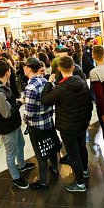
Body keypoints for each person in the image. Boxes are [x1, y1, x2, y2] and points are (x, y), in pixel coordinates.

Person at [41, 56, 93, 192]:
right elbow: (89, 104)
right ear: (73, 68)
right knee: (82, 147)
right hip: (82, 123)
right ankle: (85, 170)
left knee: (73, 153)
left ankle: (80, 183)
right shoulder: (82, 83)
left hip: (67, 127)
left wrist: (48, 83)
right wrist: (87, 119)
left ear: (59, 69)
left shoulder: (60, 88)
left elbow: (45, 100)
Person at [0, 59, 35, 189]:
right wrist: (20, 102)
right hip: (6, 127)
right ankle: (16, 177)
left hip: (13, 124)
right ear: (8, 72)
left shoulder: (2, 86)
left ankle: (22, 165)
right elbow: (7, 113)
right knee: (10, 153)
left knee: (21, 143)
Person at [23, 57, 59, 189]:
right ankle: (55, 168)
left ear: (29, 69)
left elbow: (29, 112)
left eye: (24, 67)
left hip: (37, 125)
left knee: (40, 153)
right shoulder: (45, 81)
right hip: (49, 121)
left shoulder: (30, 87)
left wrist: (25, 119)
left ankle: (43, 181)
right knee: (51, 146)